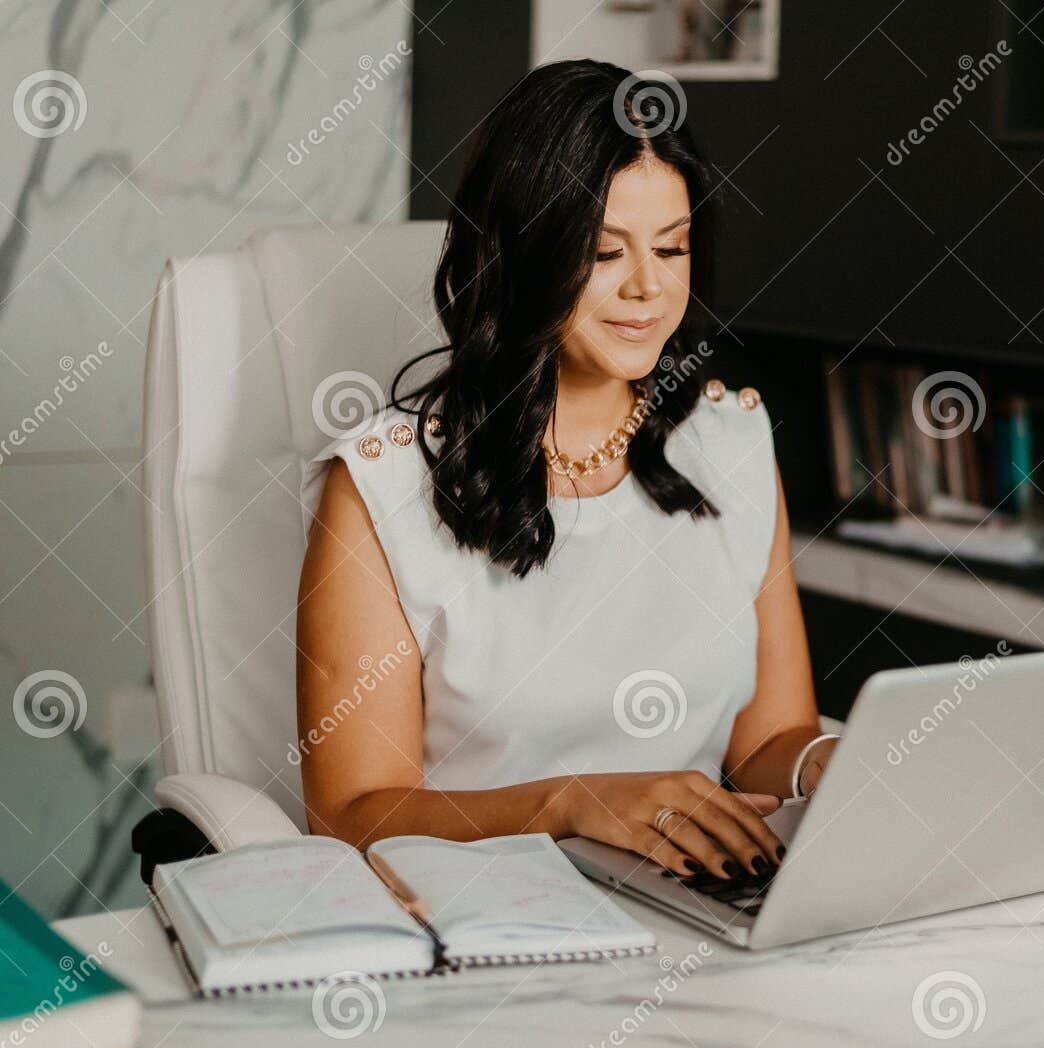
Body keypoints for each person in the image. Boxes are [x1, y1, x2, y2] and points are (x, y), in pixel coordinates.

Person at [294, 59, 837, 883]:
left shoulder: (731, 440)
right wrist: (571, 804)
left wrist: (825, 762)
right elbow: (351, 812)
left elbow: (766, 739)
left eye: (673, 247)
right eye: (605, 252)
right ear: (521, 255)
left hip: (687, 902)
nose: (649, 287)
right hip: (480, 912)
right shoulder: (382, 482)